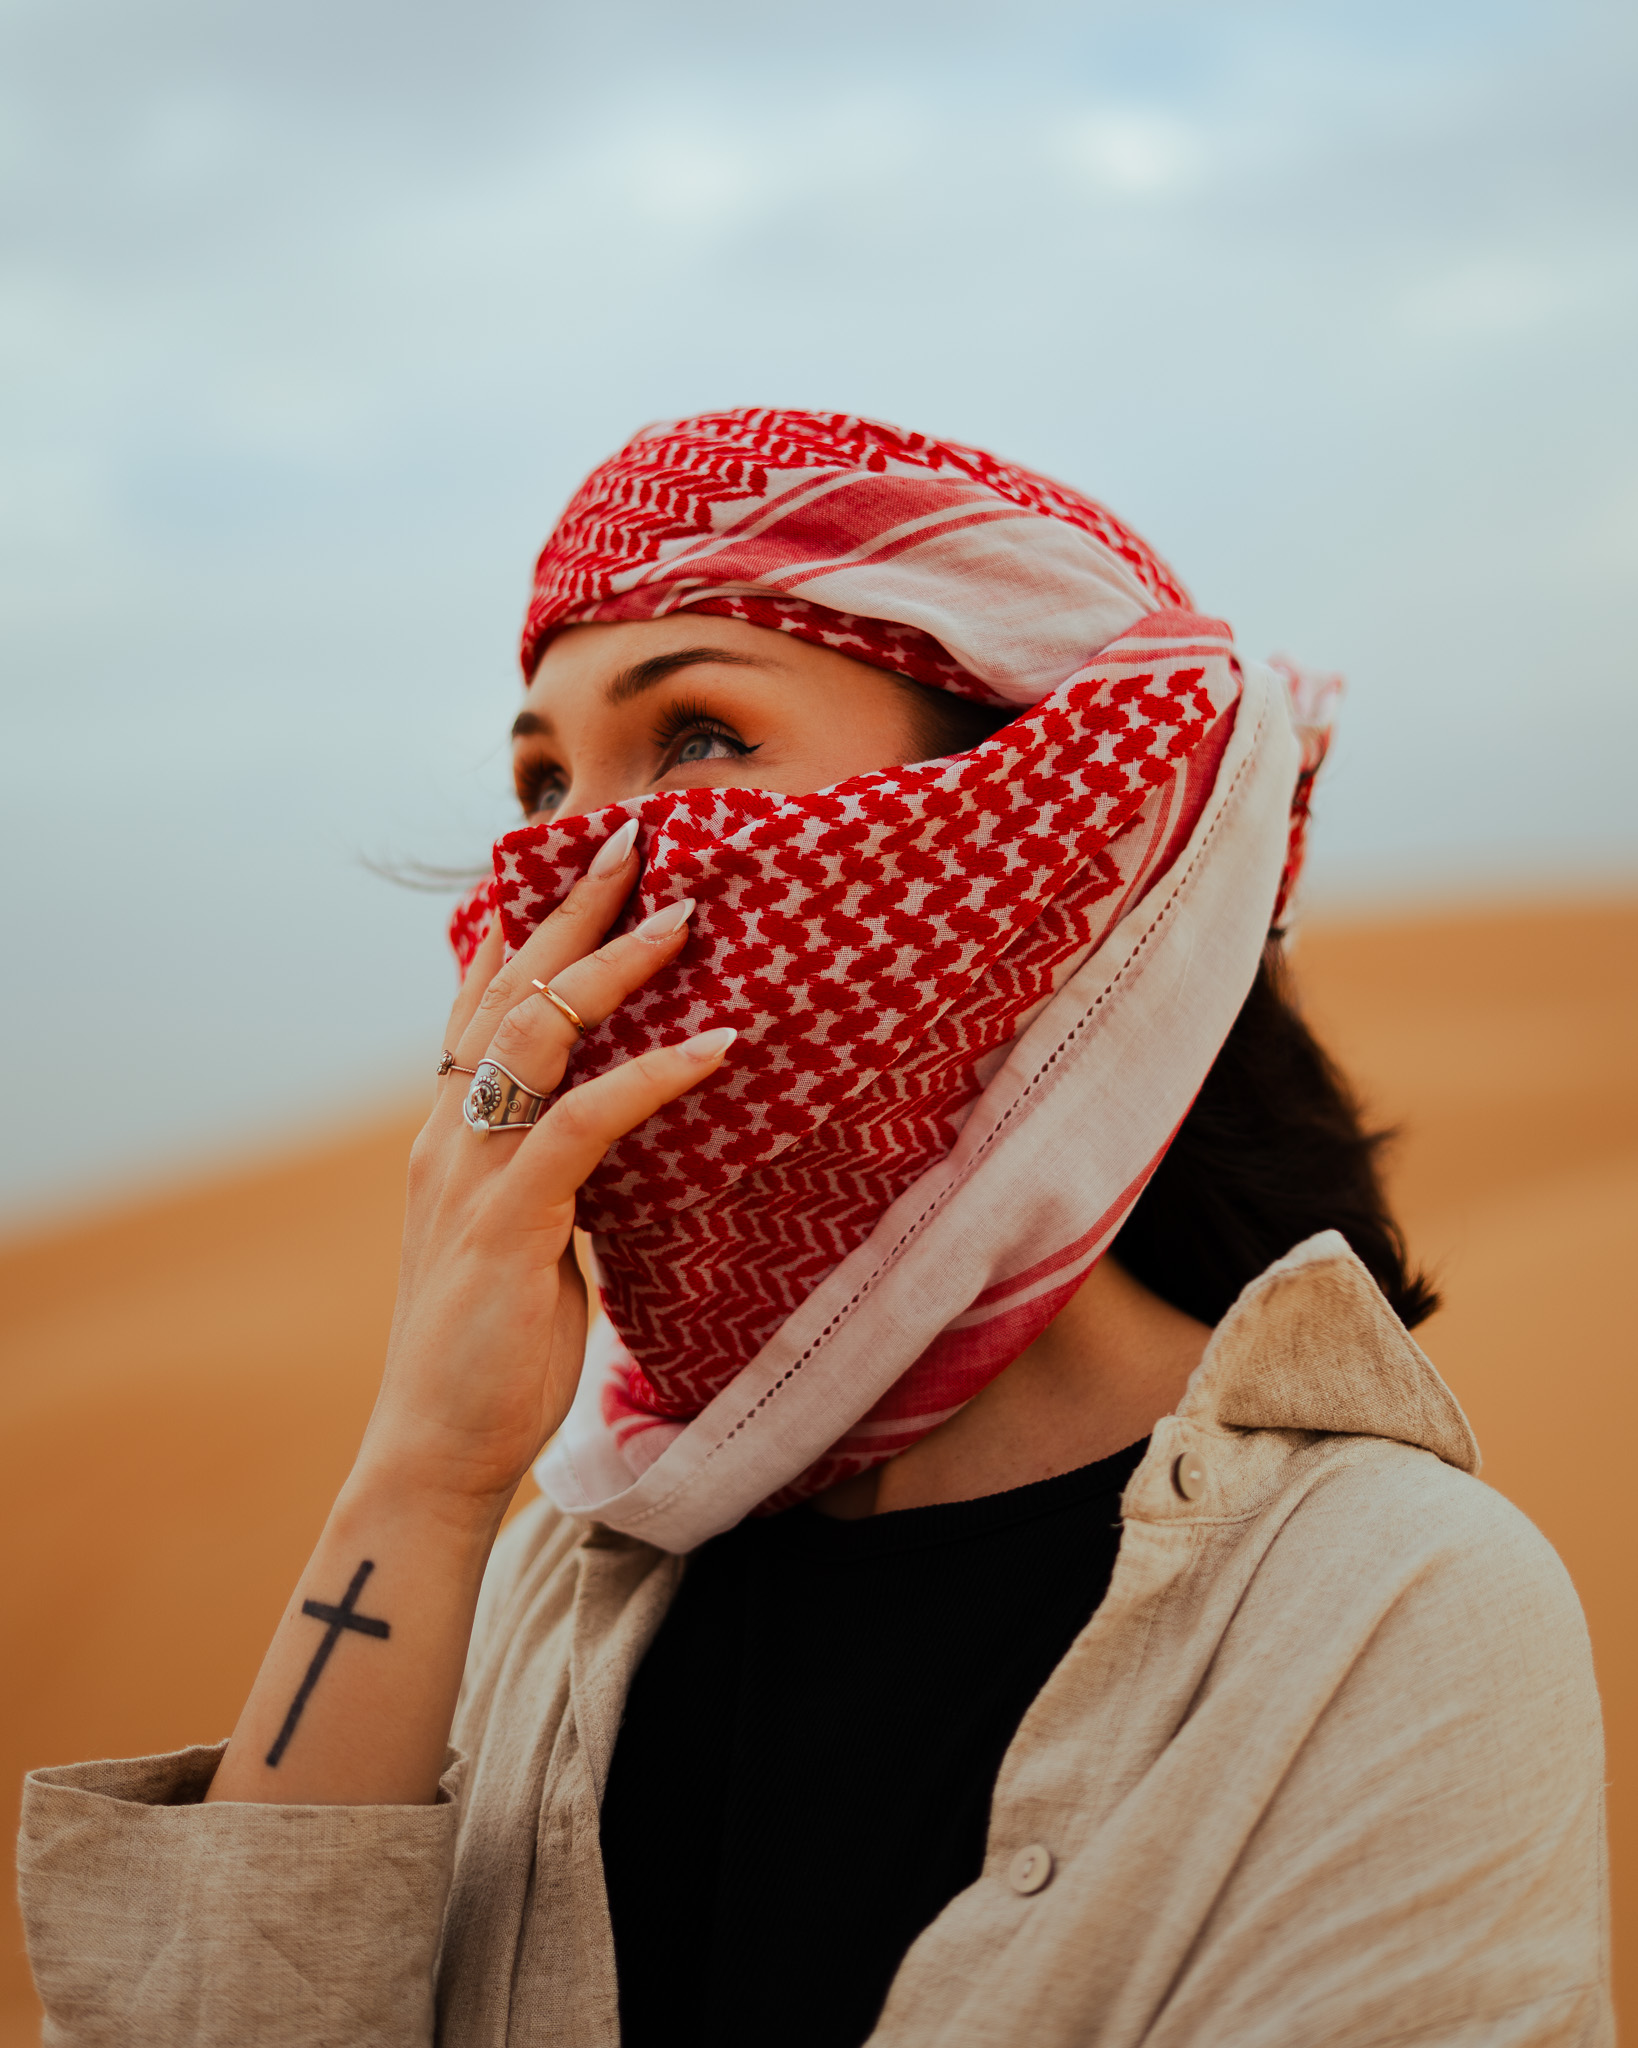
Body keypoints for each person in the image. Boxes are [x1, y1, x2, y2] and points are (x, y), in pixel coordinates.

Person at [19, 409, 1611, 2047]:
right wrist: (421, 1478)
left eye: (701, 739)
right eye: (541, 779)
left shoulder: (1381, 1609)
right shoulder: (579, 1575)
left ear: (1042, 845)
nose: (582, 861)